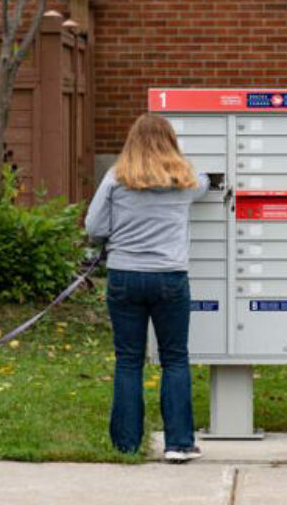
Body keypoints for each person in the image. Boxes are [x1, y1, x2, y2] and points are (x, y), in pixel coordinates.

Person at [85, 114, 209, 463]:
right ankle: (179, 443)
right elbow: (206, 182)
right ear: (171, 142)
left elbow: (94, 226)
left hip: (124, 276)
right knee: (174, 358)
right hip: (169, 277)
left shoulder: (116, 177)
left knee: (128, 360)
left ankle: (126, 445)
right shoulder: (185, 180)